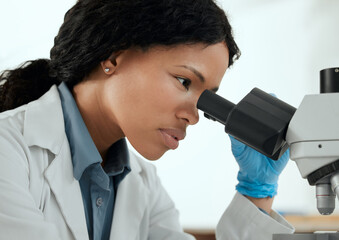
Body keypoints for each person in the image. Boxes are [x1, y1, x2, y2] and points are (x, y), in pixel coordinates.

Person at [0, 0, 294, 239]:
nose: (193, 117)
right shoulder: (9, 149)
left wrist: (256, 192)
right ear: (112, 57)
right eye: (183, 81)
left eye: (207, 99)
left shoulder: (142, 184)